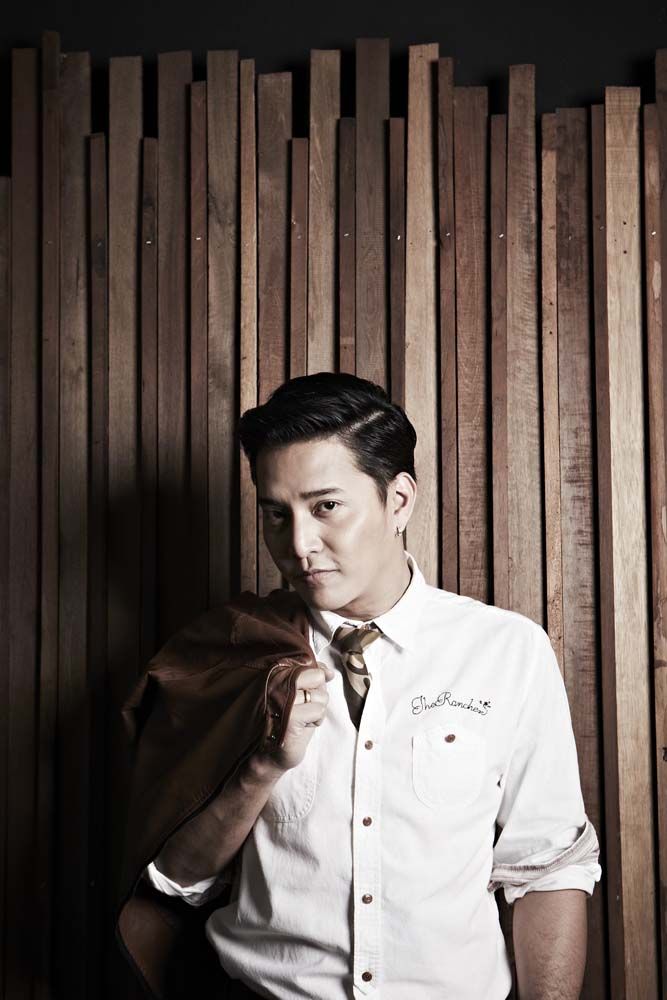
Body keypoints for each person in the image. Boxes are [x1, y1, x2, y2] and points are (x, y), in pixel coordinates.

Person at [143, 371, 601, 1000]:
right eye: (276, 514)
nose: (298, 544)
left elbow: (548, 868)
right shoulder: (233, 654)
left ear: (399, 501)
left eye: (325, 507)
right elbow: (179, 881)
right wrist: (262, 767)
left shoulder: (507, 652)